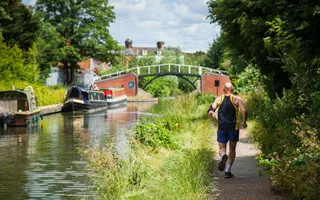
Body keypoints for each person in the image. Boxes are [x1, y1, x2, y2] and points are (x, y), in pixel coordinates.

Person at [208, 82, 247, 178]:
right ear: (232, 89)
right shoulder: (237, 99)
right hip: (233, 127)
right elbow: (244, 110)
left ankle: (222, 157)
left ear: (223, 90)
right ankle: (228, 171)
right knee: (232, 149)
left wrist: (215, 120)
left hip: (221, 127)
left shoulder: (219, 99)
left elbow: (210, 112)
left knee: (222, 149)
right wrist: (244, 122)